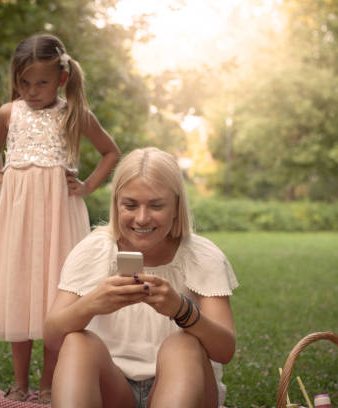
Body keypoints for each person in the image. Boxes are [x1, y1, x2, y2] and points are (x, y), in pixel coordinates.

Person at [0, 33, 120, 402]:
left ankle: (47, 386)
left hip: (59, 219)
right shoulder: (9, 113)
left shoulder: (74, 115)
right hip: (18, 218)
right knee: (20, 292)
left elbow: (110, 153)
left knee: (58, 296)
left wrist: (86, 187)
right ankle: (20, 384)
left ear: (61, 78)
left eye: (40, 82)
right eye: (24, 82)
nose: (31, 90)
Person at [44, 147, 239, 408]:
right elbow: (52, 337)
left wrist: (181, 310)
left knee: (183, 345)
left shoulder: (202, 256)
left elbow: (225, 351)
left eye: (156, 205)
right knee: (77, 342)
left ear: (176, 206)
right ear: (116, 203)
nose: (142, 218)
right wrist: (91, 303)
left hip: (185, 386)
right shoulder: (94, 250)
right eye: (130, 205)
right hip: (113, 389)